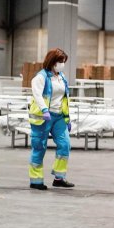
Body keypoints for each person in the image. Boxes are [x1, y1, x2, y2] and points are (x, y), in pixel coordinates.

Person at [28, 48, 74, 190]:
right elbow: (37, 95)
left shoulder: (61, 77)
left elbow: (64, 98)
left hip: (59, 117)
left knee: (65, 144)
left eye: (63, 62)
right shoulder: (41, 77)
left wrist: (68, 118)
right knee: (39, 147)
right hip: (43, 117)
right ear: (53, 61)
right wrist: (44, 110)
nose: (62, 64)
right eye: (60, 61)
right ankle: (36, 180)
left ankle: (59, 177)